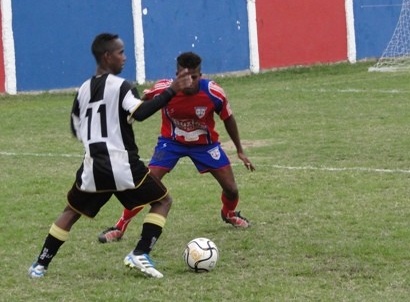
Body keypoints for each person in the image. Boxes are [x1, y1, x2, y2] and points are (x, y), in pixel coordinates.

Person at [28, 33, 192, 279]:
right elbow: (140, 114)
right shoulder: (121, 86)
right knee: (163, 201)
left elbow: (76, 127)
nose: (124, 57)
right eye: (120, 52)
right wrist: (170, 90)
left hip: (93, 167)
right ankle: (140, 253)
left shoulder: (82, 90)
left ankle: (39, 265)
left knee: (70, 212)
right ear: (107, 56)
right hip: (122, 165)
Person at [98, 51, 255, 244]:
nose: (189, 81)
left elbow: (228, 118)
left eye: (194, 77)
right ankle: (120, 227)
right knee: (147, 185)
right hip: (171, 143)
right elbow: (140, 107)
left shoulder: (214, 93)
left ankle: (229, 213)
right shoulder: (164, 89)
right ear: (176, 74)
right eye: (183, 76)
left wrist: (239, 150)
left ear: (201, 75)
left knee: (231, 189)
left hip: (205, 145)